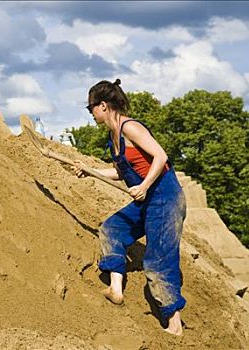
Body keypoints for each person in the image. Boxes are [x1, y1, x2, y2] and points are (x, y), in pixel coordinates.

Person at [71, 79, 187, 336]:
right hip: (146, 200)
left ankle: (175, 324)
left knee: (158, 260)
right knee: (112, 229)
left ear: (102, 105)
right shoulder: (113, 138)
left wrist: (145, 186)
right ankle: (116, 289)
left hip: (165, 198)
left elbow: (160, 155)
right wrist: (90, 171)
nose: (91, 114)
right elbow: (120, 171)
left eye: (91, 109)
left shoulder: (129, 127)